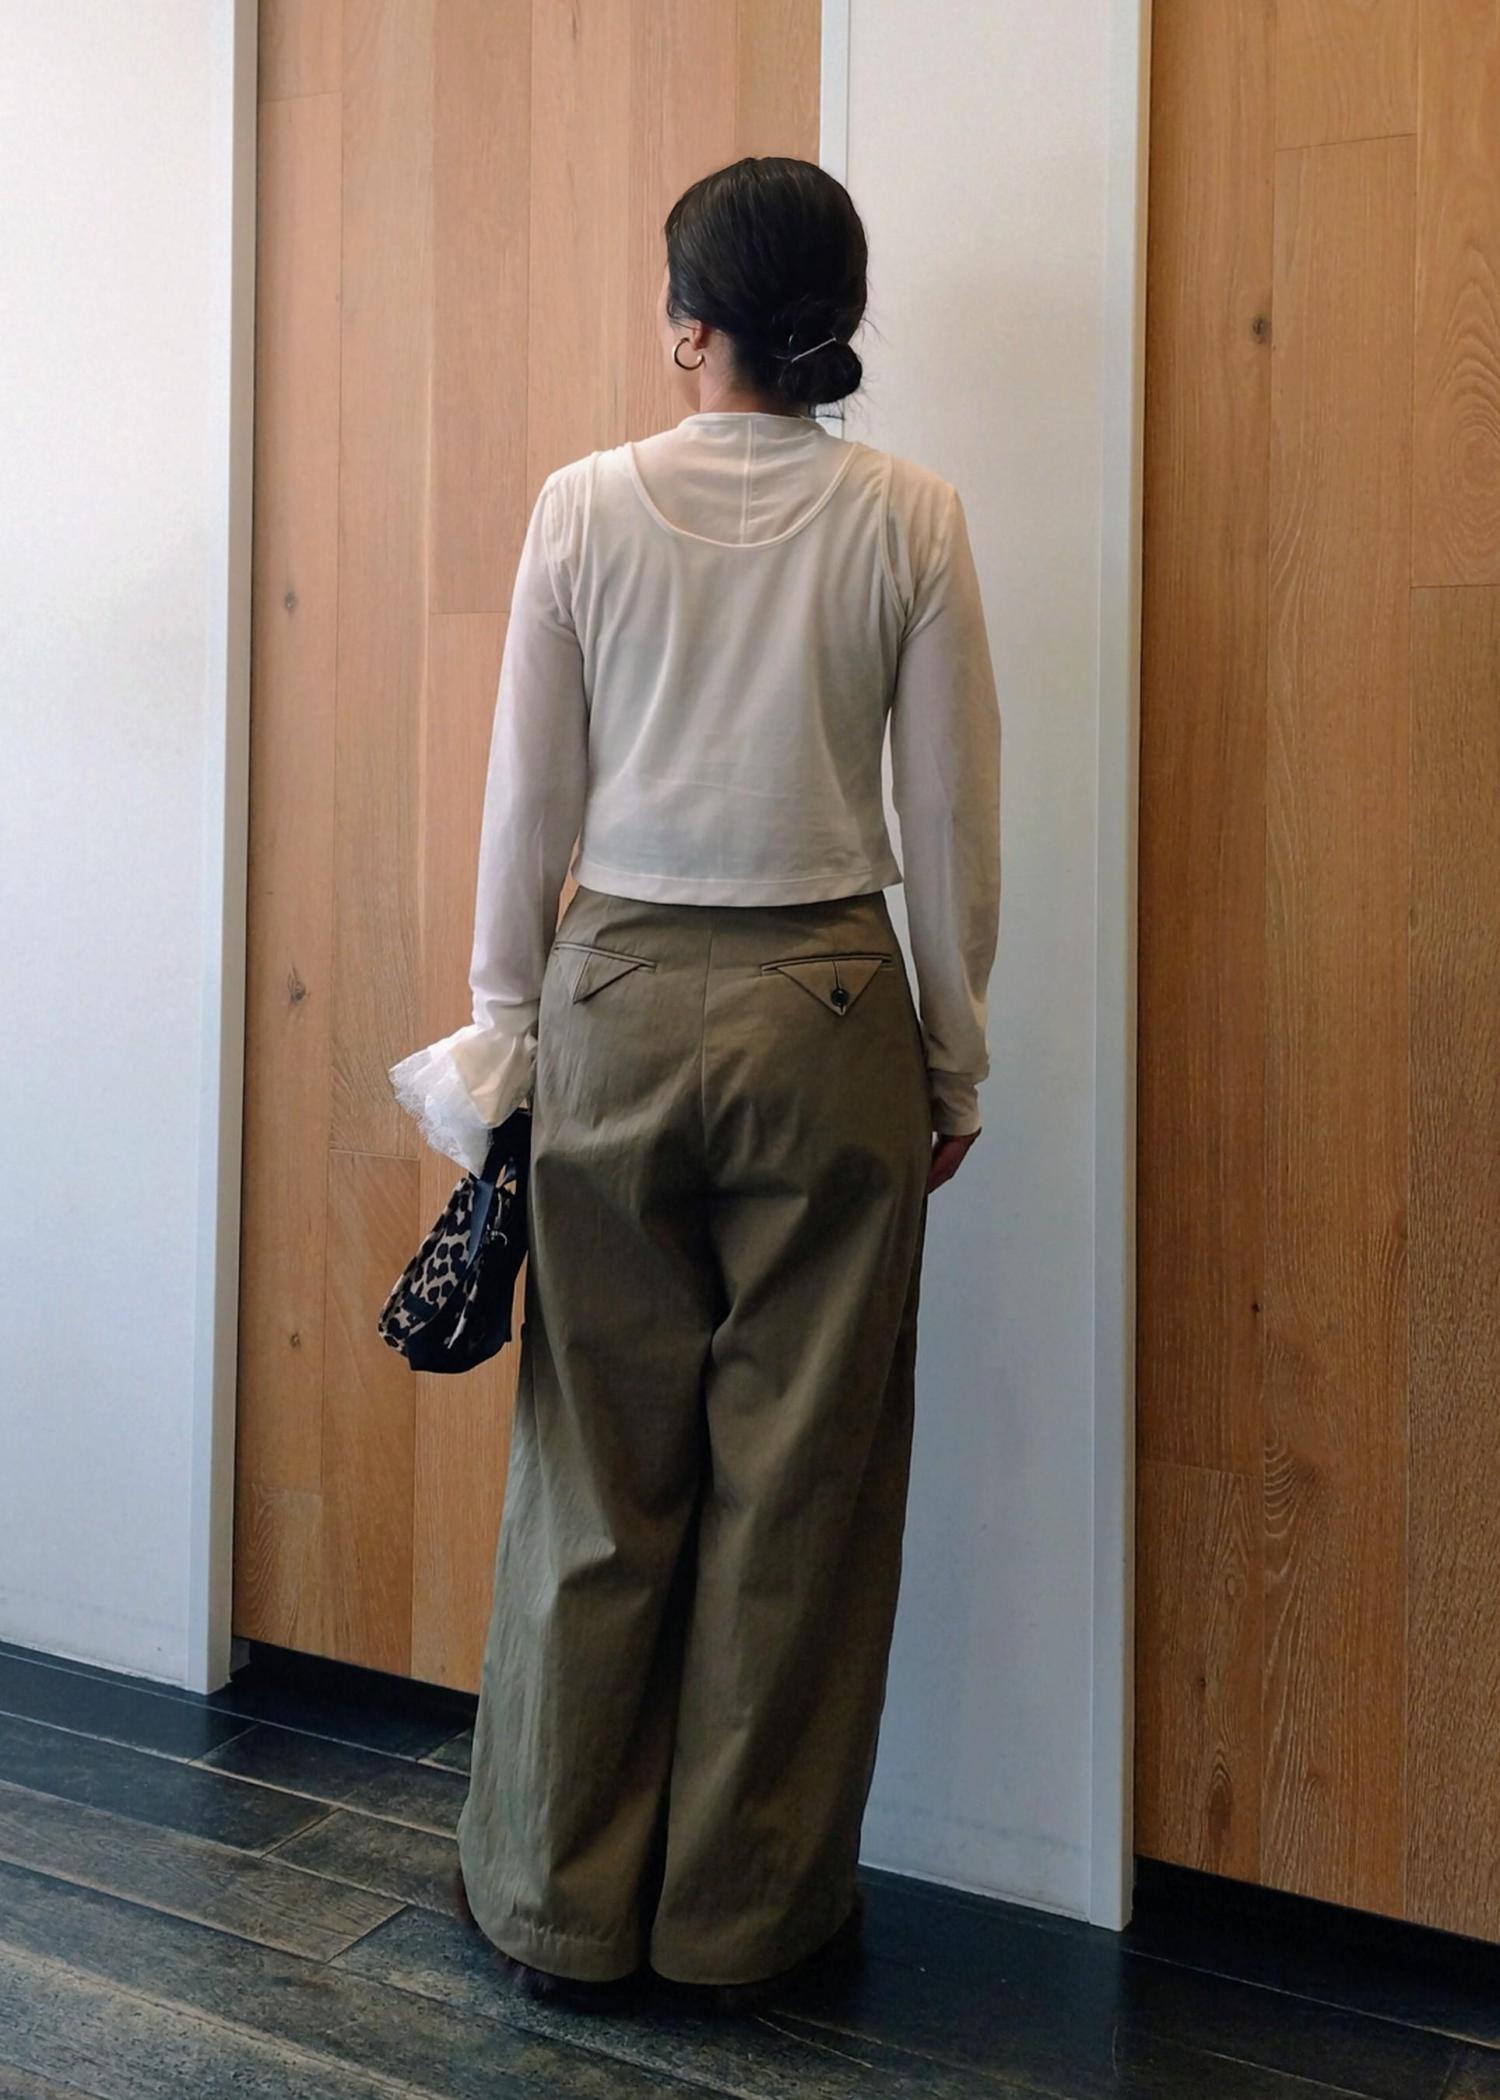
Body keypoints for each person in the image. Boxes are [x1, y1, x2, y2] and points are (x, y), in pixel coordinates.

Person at [389, 155, 1001, 2017]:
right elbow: (950, 819)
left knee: (597, 1468)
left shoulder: (583, 506)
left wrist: (502, 1034)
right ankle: (747, 1924)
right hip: (835, 1012)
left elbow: (529, 802)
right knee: (800, 1489)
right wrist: (952, 1056)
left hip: (621, 1000)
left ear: (688, 326)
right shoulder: (912, 517)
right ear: (839, 317)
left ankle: (558, 1909)